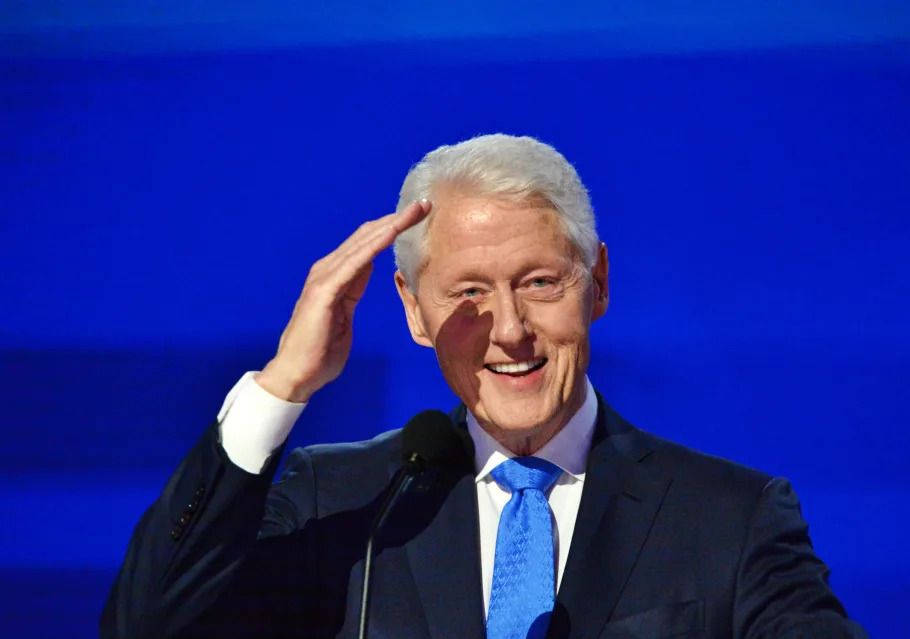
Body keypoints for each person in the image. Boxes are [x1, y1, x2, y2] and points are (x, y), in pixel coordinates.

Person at [101, 134, 867, 638]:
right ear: (413, 309)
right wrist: (282, 386)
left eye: (539, 281)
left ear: (596, 282)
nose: (508, 328)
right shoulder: (341, 503)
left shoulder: (730, 519)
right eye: (467, 292)